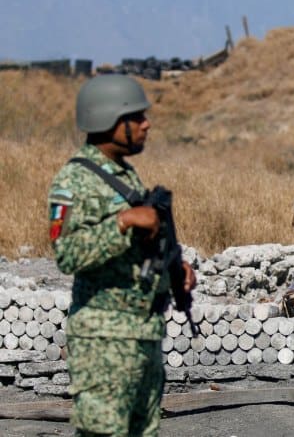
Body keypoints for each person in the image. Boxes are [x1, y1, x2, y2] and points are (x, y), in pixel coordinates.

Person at [48, 74, 196, 436]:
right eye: (137, 117)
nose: (147, 124)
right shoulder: (73, 181)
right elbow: (66, 254)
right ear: (107, 119)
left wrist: (173, 270)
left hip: (141, 333)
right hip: (103, 342)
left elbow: (132, 256)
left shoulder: (124, 174)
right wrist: (123, 221)